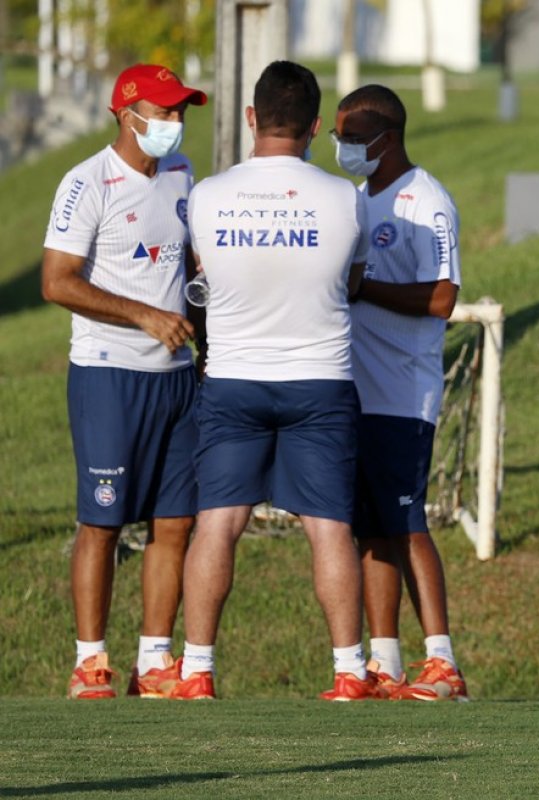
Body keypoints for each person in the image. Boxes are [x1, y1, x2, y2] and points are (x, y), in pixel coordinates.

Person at [169, 60, 372, 701]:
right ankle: (349, 672)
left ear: (252, 117)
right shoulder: (347, 198)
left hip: (233, 379)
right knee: (330, 528)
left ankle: (196, 670)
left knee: (217, 525)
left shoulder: (205, 197)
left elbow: (199, 280)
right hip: (321, 379)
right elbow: (355, 282)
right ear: (315, 125)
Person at [42, 63, 207, 699]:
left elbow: (188, 263)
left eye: (180, 112)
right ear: (127, 113)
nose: (174, 123)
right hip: (108, 374)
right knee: (103, 523)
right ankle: (90, 662)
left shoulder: (183, 173)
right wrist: (141, 313)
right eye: (164, 112)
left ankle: (155, 661)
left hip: (177, 379)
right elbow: (57, 281)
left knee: (174, 525)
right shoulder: (87, 183)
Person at [332, 84, 468, 701]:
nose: (341, 147)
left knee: (408, 522)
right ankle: (385, 662)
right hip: (354, 390)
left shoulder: (426, 200)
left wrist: (363, 288)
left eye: (351, 138)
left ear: (386, 138)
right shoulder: (357, 199)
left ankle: (442, 662)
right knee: (371, 529)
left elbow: (443, 296)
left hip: (403, 393)